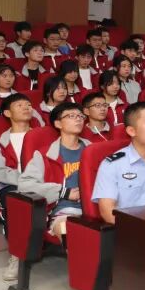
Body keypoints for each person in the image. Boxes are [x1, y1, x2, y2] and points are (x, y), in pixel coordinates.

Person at [20, 102, 89, 240]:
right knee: (70, 233)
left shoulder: (93, 150)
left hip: (95, 208)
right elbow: (25, 185)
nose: (78, 119)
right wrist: (64, 192)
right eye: (71, 116)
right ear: (58, 124)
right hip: (65, 211)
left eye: (80, 116)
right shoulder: (44, 155)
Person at [0, 93, 32, 281]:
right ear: (7, 113)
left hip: (44, 182)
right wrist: (27, 180)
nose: (26, 107)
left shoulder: (45, 137)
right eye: (20, 105)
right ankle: (16, 255)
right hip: (12, 184)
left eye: (28, 104)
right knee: (14, 202)